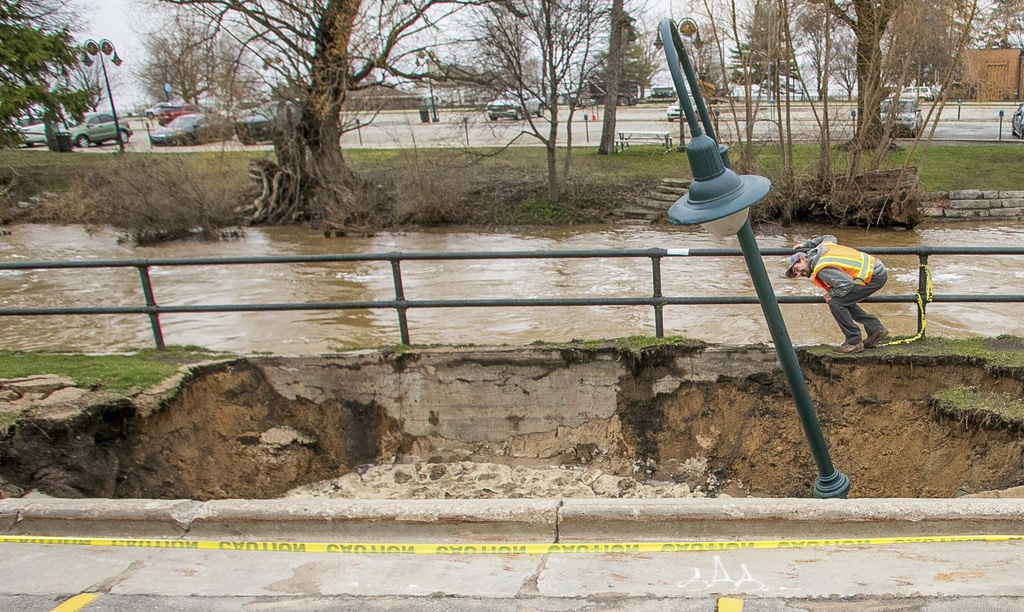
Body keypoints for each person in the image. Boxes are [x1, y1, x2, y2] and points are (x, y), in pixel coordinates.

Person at [785, 235, 888, 354]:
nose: (798, 274)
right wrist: (806, 244)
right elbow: (830, 236)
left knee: (836, 302)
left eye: (796, 269)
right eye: (796, 273)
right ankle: (875, 328)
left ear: (803, 258)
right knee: (843, 300)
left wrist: (831, 294)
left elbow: (847, 284)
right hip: (875, 268)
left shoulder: (821, 267)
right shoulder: (825, 247)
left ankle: (854, 342)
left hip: (873, 276)